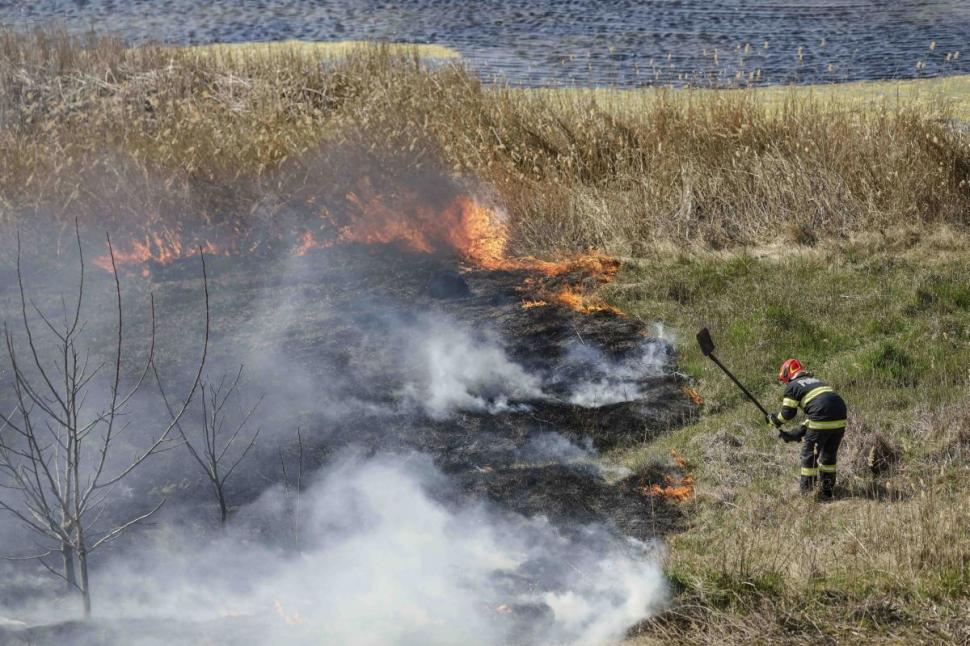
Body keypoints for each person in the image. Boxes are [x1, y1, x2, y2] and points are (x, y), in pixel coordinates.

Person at [767, 358, 848, 499]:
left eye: (784, 380)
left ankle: (807, 495)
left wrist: (775, 420)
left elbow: (788, 413)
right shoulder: (816, 381)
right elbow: (820, 412)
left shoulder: (793, 385)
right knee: (828, 457)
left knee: (809, 455)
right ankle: (827, 492)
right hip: (840, 416)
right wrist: (798, 432)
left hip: (822, 415)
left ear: (787, 374)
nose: (785, 383)